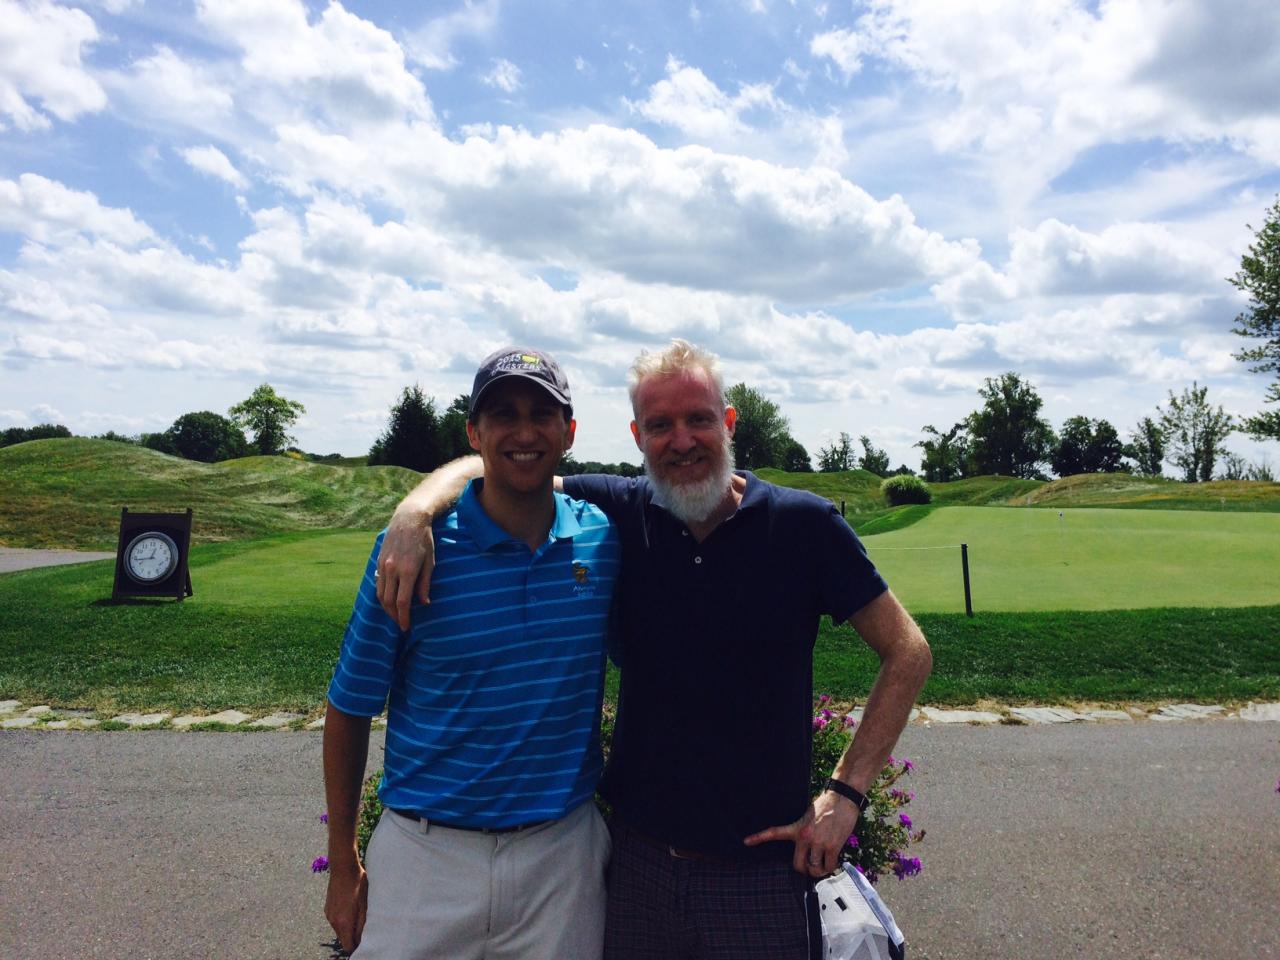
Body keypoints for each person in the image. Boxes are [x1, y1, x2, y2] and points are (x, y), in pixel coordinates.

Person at [375, 339, 932, 960]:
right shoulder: (622, 511)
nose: (682, 440)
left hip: (761, 872)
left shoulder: (803, 526)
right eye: (661, 425)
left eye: (698, 419)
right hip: (637, 864)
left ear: (728, 422)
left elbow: (907, 651)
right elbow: (509, 462)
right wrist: (415, 510)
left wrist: (846, 793)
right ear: (638, 436)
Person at [322, 347, 619, 959]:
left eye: (543, 413)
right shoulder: (409, 550)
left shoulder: (602, 538)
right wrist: (346, 863)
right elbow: (350, 707)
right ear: (474, 432)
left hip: (561, 859)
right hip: (426, 856)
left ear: (569, 432)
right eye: (503, 414)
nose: (524, 431)